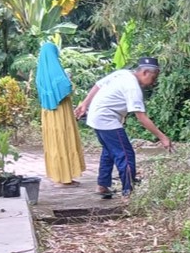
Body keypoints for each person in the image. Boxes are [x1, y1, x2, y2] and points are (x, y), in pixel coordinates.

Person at [73, 57, 172, 199]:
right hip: (107, 119)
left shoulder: (123, 73)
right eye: (154, 77)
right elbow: (142, 118)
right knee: (125, 155)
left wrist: (85, 104)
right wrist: (163, 137)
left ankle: (103, 185)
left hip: (97, 116)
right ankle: (128, 191)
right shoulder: (133, 88)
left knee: (109, 151)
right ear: (145, 72)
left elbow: (98, 85)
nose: (154, 82)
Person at [35, 42, 86, 185]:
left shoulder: (40, 73)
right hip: (61, 111)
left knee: (54, 142)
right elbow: (65, 88)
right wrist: (68, 80)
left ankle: (58, 175)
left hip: (47, 112)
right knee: (64, 139)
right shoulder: (55, 70)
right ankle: (66, 178)